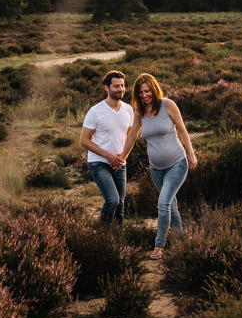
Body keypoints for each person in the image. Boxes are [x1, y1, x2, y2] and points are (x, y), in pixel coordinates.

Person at [123, 73, 198, 259]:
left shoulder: (168, 105)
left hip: (177, 164)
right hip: (156, 169)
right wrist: (121, 157)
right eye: (140, 92)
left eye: (147, 91)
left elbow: (182, 130)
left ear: (154, 89)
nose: (144, 95)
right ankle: (182, 242)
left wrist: (191, 154)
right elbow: (132, 136)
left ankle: (159, 246)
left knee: (163, 204)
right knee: (171, 206)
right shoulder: (139, 112)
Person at [80, 70, 134, 225]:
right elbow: (84, 141)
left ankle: (117, 238)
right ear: (106, 88)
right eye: (116, 86)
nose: (120, 89)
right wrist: (108, 156)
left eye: (123, 86)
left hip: (120, 164)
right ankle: (102, 235)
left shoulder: (128, 109)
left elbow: (130, 138)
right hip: (98, 163)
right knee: (112, 200)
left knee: (121, 204)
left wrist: (122, 158)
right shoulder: (96, 111)